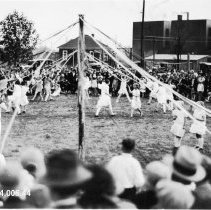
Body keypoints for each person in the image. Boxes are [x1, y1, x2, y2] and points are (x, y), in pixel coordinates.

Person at [106, 138, 145, 203]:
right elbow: (140, 182)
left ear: (122, 147)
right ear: (133, 149)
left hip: (115, 191)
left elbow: (107, 176)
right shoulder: (135, 163)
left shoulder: (114, 160)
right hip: (129, 193)